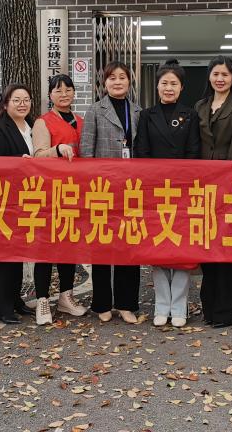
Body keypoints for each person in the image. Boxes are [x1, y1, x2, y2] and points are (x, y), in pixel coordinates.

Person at [134, 61, 200, 328]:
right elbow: (141, 151)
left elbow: (194, 151)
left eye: (174, 83)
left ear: (181, 87)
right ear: (157, 86)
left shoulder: (190, 114)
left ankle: (179, 306)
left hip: (183, 189)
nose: (169, 88)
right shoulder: (147, 115)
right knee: (159, 248)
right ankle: (162, 305)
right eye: (164, 83)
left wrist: (183, 180)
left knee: (181, 249)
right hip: (155, 190)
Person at [79, 61, 142, 324]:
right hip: (102, 189)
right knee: (102, 246)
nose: (117, 82)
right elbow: (86, 151)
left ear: (129, 82)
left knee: (129, 246)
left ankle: (127, 304)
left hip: (131, 189)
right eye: (112, 78)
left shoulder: (138, 111)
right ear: (104, 83)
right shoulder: (95, 110)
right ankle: (102, 303)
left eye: (122, 77)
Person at [195, 56, 232, 328]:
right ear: (209, 76)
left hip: (228, 185)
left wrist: (225, 181)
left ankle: (225, 311)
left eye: (225, 74)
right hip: (202, 186)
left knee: (226, 246)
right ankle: (209, 308)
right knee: (206, 246)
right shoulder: (200, 106)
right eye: (216, 74)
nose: (220, 79)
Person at [31, 74, 88, 323]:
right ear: (50, 95)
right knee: (45, 249)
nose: (64, 94)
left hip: (74, 194)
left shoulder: (81, 121)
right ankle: (42, 300)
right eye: (58, 90)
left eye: (68, 89)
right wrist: (57, 149)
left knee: (68, 246)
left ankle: (66, 296)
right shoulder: (43, 122)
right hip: (49, 194)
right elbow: (38, 155)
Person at [0, 84, 36, 325]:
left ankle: (15, 299)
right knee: (6, 254)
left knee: (19, 252)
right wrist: (19, 160)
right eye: (16, 100)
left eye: (26, 99)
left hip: (28, 199)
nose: (22, 104)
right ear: (5, 104)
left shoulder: (33, 127)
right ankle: (1, 307)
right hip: (6, 199)